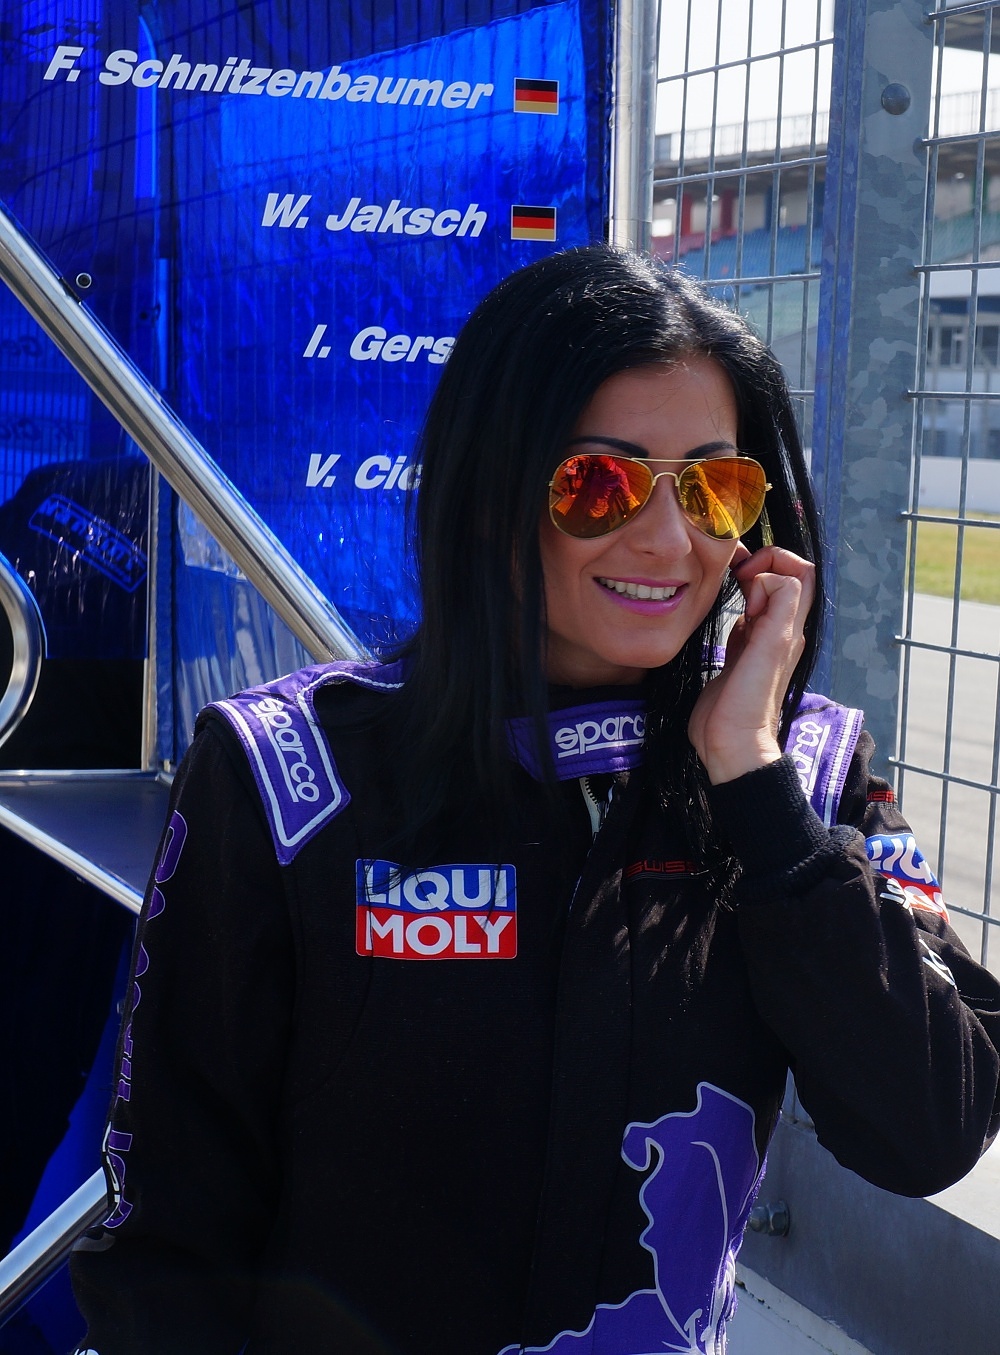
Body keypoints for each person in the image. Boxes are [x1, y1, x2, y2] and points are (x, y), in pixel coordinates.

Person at [70, 246, 1000, 1355]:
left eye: (714, 489)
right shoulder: (286, 775)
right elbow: (170, 1232)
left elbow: (930, 1130)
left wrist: (757, 790)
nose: (669, 539)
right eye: (598, 484)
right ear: (489, 491)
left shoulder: (799, 773)